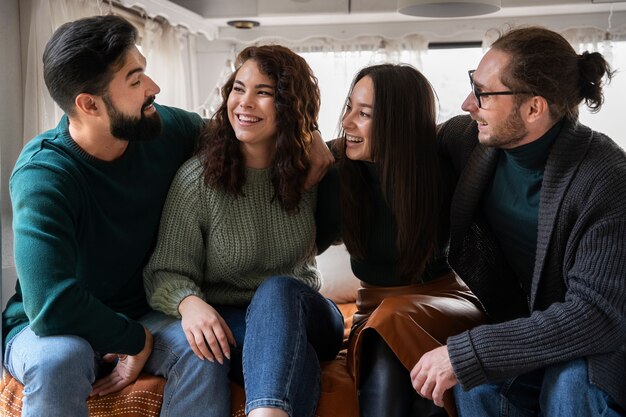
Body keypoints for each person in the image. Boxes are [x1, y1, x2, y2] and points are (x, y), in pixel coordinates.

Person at [1, 15, 332, 417]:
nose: (153, 88)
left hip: (147, 313)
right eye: (135, 79)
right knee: (61, 360)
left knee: (205, 352)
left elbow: (245, 125)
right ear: (89, 105)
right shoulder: (44, 175)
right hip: (56, 326)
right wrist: (134, 340)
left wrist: (309, 135)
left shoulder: (162, 128)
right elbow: (50, 305)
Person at [410, 26, 626, 416]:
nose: (466, 104)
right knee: (476, 387)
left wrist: (469, 352)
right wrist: (320, 151)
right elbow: (397, 144)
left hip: (600, 347)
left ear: (533, 108)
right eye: (472, 85)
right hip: (529, 339)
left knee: (569, 384)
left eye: (483, 94)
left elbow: (596, 315)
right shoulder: (470, 140)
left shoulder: (605, 177)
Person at [143, 44, 345, 417]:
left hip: (310, 314)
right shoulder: (198, 181)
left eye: (264, 92)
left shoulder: (313, 172)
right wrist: (190, 304)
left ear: (289, 105)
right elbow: (166, 270)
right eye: (239, 88)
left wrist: (314, 135)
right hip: (234, 321)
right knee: (288, 358)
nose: (245, 102)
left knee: (278, 289)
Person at [315, 64, 486, 417]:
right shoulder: (336, 174)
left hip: (446, 303)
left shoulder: (444, 166)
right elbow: (302, 246)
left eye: (363, 114)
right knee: (388, 341)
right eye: (349, 107)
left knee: (392, 321)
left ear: (400, 122)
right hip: (373, 313)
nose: (347, 122)